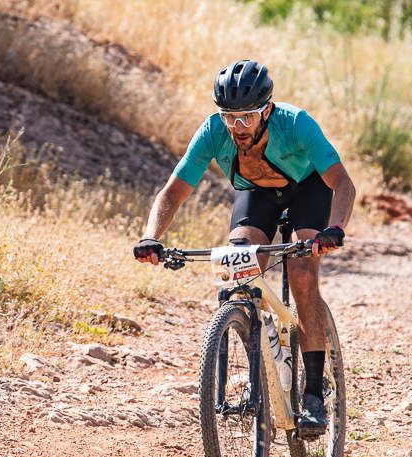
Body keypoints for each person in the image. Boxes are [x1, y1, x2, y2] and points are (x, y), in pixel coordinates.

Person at [133, 59, 356, 437]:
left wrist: (333, 229)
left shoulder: (296, 123)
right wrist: (151, 236)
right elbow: (172, 192)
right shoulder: (212, 132)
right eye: (228, 117)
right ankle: (260, 362)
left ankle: (315, 394)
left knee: (302, 276)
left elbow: (343, 183)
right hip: (257, 194)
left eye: (247, 117)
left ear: (267, 110)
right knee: (239, 265)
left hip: (308, 189)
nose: (237, 127)